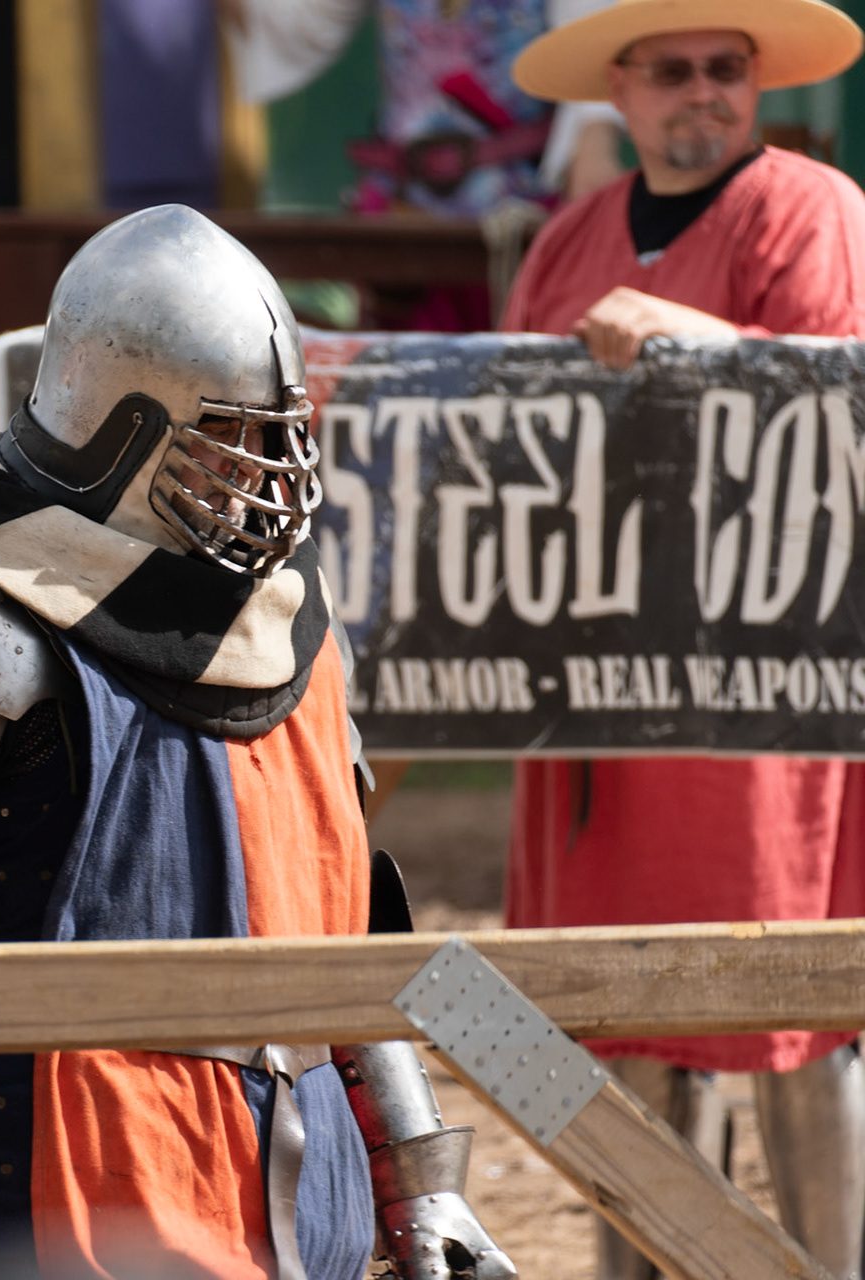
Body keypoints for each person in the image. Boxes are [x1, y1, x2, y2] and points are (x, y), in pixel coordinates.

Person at [0, 205, 513, 1278]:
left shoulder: (294, 619)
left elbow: (350, 930)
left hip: (305, 1221)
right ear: (121, 431)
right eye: (231, 437)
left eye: (280, 435)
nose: (268, 471)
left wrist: (424, 1192)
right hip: (60, 1217)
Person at [501, 3, 865, 1277]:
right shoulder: (569, 239)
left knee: (792, 987)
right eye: (674, 70)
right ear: (622, 88)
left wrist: (706, 345)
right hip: (594, 677)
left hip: (756, 680)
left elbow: (838, 402)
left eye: (728, 68)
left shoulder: (812, 210)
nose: (703, 91)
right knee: (611, 999)